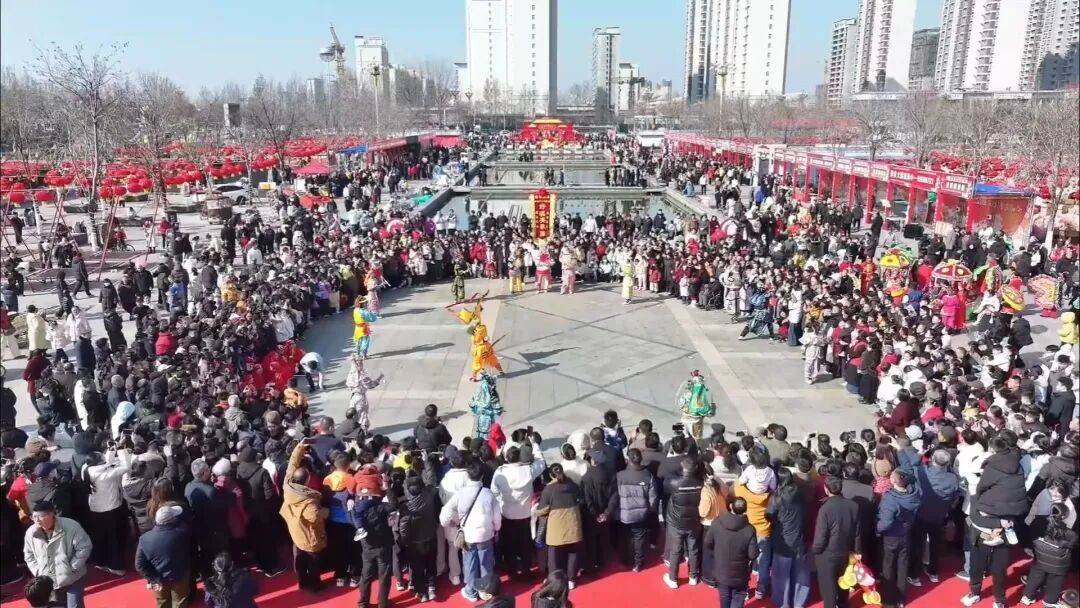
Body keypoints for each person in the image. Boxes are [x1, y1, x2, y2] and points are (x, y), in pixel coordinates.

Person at [440, 462, 501, 602]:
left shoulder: (460, 493)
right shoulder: (488, 493)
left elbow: (446, 511)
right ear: (482, 476)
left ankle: (471, 591)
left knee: (469, 563)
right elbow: (497, 516)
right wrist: (496, 528)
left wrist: (448, 523)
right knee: (486, 563)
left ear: (468, 476)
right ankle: (485, 591)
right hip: (485, 534)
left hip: (468, 535)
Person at [279, 440, 329, 593]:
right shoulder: (309, 501)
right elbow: (315, 517)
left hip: (295, 530)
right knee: (313, 562)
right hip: (308, 535)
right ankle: (315, 586)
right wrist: (326, 512)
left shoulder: (288, 486)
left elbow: (292, 465)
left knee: (299, 560)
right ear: (307, 481)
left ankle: (302, 582)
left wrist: (300, 447)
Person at [23, 500, 92, 608]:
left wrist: (72, 567)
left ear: (52, 514)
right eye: (34, 516)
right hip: (49, 582)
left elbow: (84, 547)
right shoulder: (31, 533)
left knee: (75, 605)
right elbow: (29, 555)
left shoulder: (71, 526)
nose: (37, 520)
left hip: (74, 577)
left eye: (40, 516)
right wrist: (38, 571)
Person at [876, 469, 922, 608]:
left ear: (894, 481)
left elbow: (885, 523)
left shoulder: (890, 498)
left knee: (888, 566)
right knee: (902, 565)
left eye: (892, 476)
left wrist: (878, 529)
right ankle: (901, 597)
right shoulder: (914, 493)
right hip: (905, 533)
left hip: (892, 536)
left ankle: (889, 599)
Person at [813, 476, 860, 608]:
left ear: (826, 489)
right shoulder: (853, 506)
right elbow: (857, 532)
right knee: (844, 583)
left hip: (827, 554)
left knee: (829, 589)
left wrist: (816, 550)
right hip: (845, 552)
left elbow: (821, 536)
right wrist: (857, 551)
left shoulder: (825, 509)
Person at [704, 496, 759, 608]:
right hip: (740, 574)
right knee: (738, 597)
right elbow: (753, 554)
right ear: (745, 510)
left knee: (724, 596)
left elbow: (708, 543)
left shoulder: (717, 523)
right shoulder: (749, 529)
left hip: (721, 570)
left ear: (730, 507)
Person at [134, 502, 191, 608]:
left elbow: (139, 565)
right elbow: (189, 553)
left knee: (162, 603)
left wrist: (153, 579)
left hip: (158, 578)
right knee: (179, 603)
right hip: (179, 576)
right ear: (171, 520)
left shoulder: (144, 538)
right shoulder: (182, 534)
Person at [537, 463, 584, 588]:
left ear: (551, 475)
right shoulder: (573, 485)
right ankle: (571, 580)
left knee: (554, 556)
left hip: (556, 528)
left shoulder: (548, 489)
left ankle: (554, 581)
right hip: (573, 525)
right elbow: (581, 501)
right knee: (573, 552)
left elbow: (541, 510)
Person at [662, 457, 704, 589]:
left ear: (682, 468)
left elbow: (665, 485)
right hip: (693, 521)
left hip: (676, 522)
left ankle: (673, 579)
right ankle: (693, 577)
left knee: (675, 550)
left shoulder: (674, 483)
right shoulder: (701, 483)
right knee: (693, 549)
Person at [615, 448, 658, 571]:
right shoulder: (647, 475)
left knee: (625, 538)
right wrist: (651, 510)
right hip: (641, 514)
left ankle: (625, 560)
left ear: (628, 460)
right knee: (639, 539)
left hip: (624, 514)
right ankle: (638, 563)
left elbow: (616, 496)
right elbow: (653, 496)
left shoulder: (620, 475)